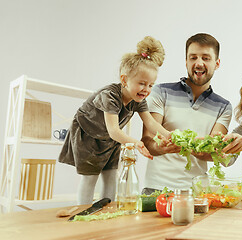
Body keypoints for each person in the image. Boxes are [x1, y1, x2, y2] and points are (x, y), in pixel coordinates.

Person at [58, 36, 171, 204]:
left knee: (111, 175)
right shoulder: (109, 96)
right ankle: (84, 211)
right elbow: (114, 130)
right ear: (124, 79)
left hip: (110, 140)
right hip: (88, 135)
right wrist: (137, 144)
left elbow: (151, 123)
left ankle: (107, 209)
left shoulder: (138, 99)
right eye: (142, 83)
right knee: (90, 177)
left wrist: (171, 136)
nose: (146, 90)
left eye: (150, 85)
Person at [141, 33, 232, 194]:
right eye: (193, 57)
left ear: (217, 63)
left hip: (197, 191)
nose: (198, 63)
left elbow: (213, 150)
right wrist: (162, 148)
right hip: (156, 188)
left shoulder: (223, 107)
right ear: (186, 61)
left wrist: (193, 147)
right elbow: (148, 140)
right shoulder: (160, 92)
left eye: (206, 58)